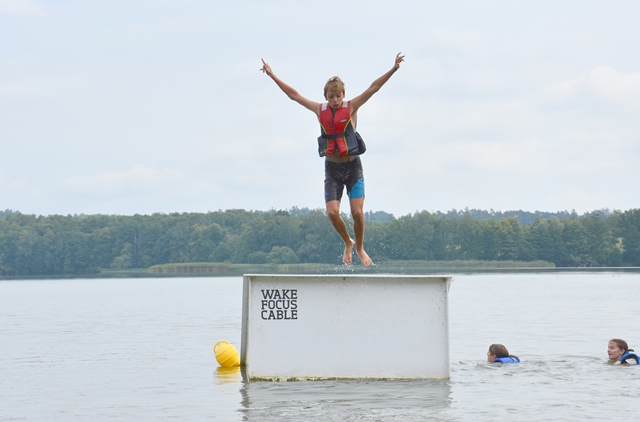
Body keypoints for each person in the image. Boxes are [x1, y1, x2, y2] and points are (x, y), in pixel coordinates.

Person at [260, 53, 405, 267]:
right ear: (326, 97)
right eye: (331, 97)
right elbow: (294, 95)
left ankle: (360, 248)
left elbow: (374, 88)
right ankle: (348, 242)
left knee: (357, 213)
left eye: (338, 96)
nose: (335, 100)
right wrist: (273, 75)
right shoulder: (319, 110)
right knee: (332, 212)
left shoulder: (352, 106)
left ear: (343, 95)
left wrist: (393, 69)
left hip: (353, 168)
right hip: (332, 169)